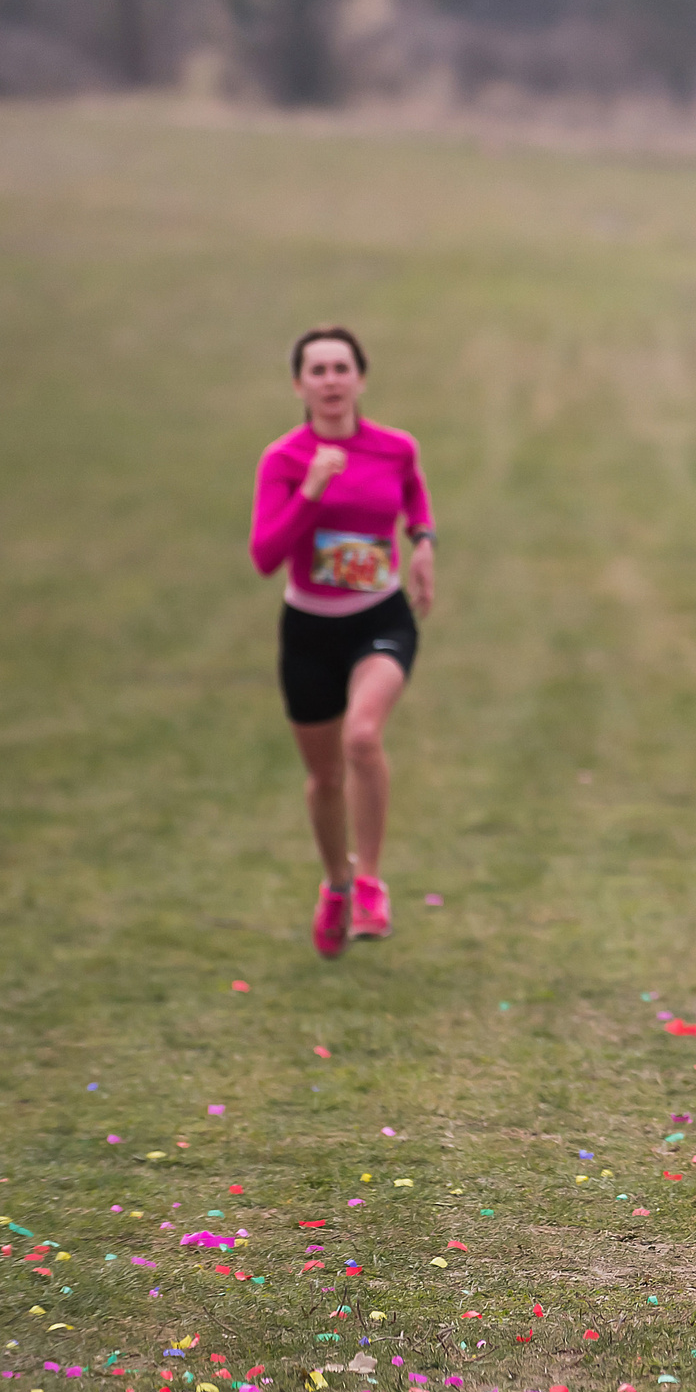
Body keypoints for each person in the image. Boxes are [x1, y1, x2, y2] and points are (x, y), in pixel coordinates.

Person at [249, 326, 435, 958]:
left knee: (362, 736)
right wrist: (311, 492)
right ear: (298, 385)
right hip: (309, 630)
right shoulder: (284, 460)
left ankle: (371, 883)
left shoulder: (394, 447)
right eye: (318, 370)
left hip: (379, 617)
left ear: (360, 378)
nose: (331, 380)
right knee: (324, 776)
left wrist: (423, 540)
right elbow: (265, 556)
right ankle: (336, 884)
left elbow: (412, 493)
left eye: (341, 368)